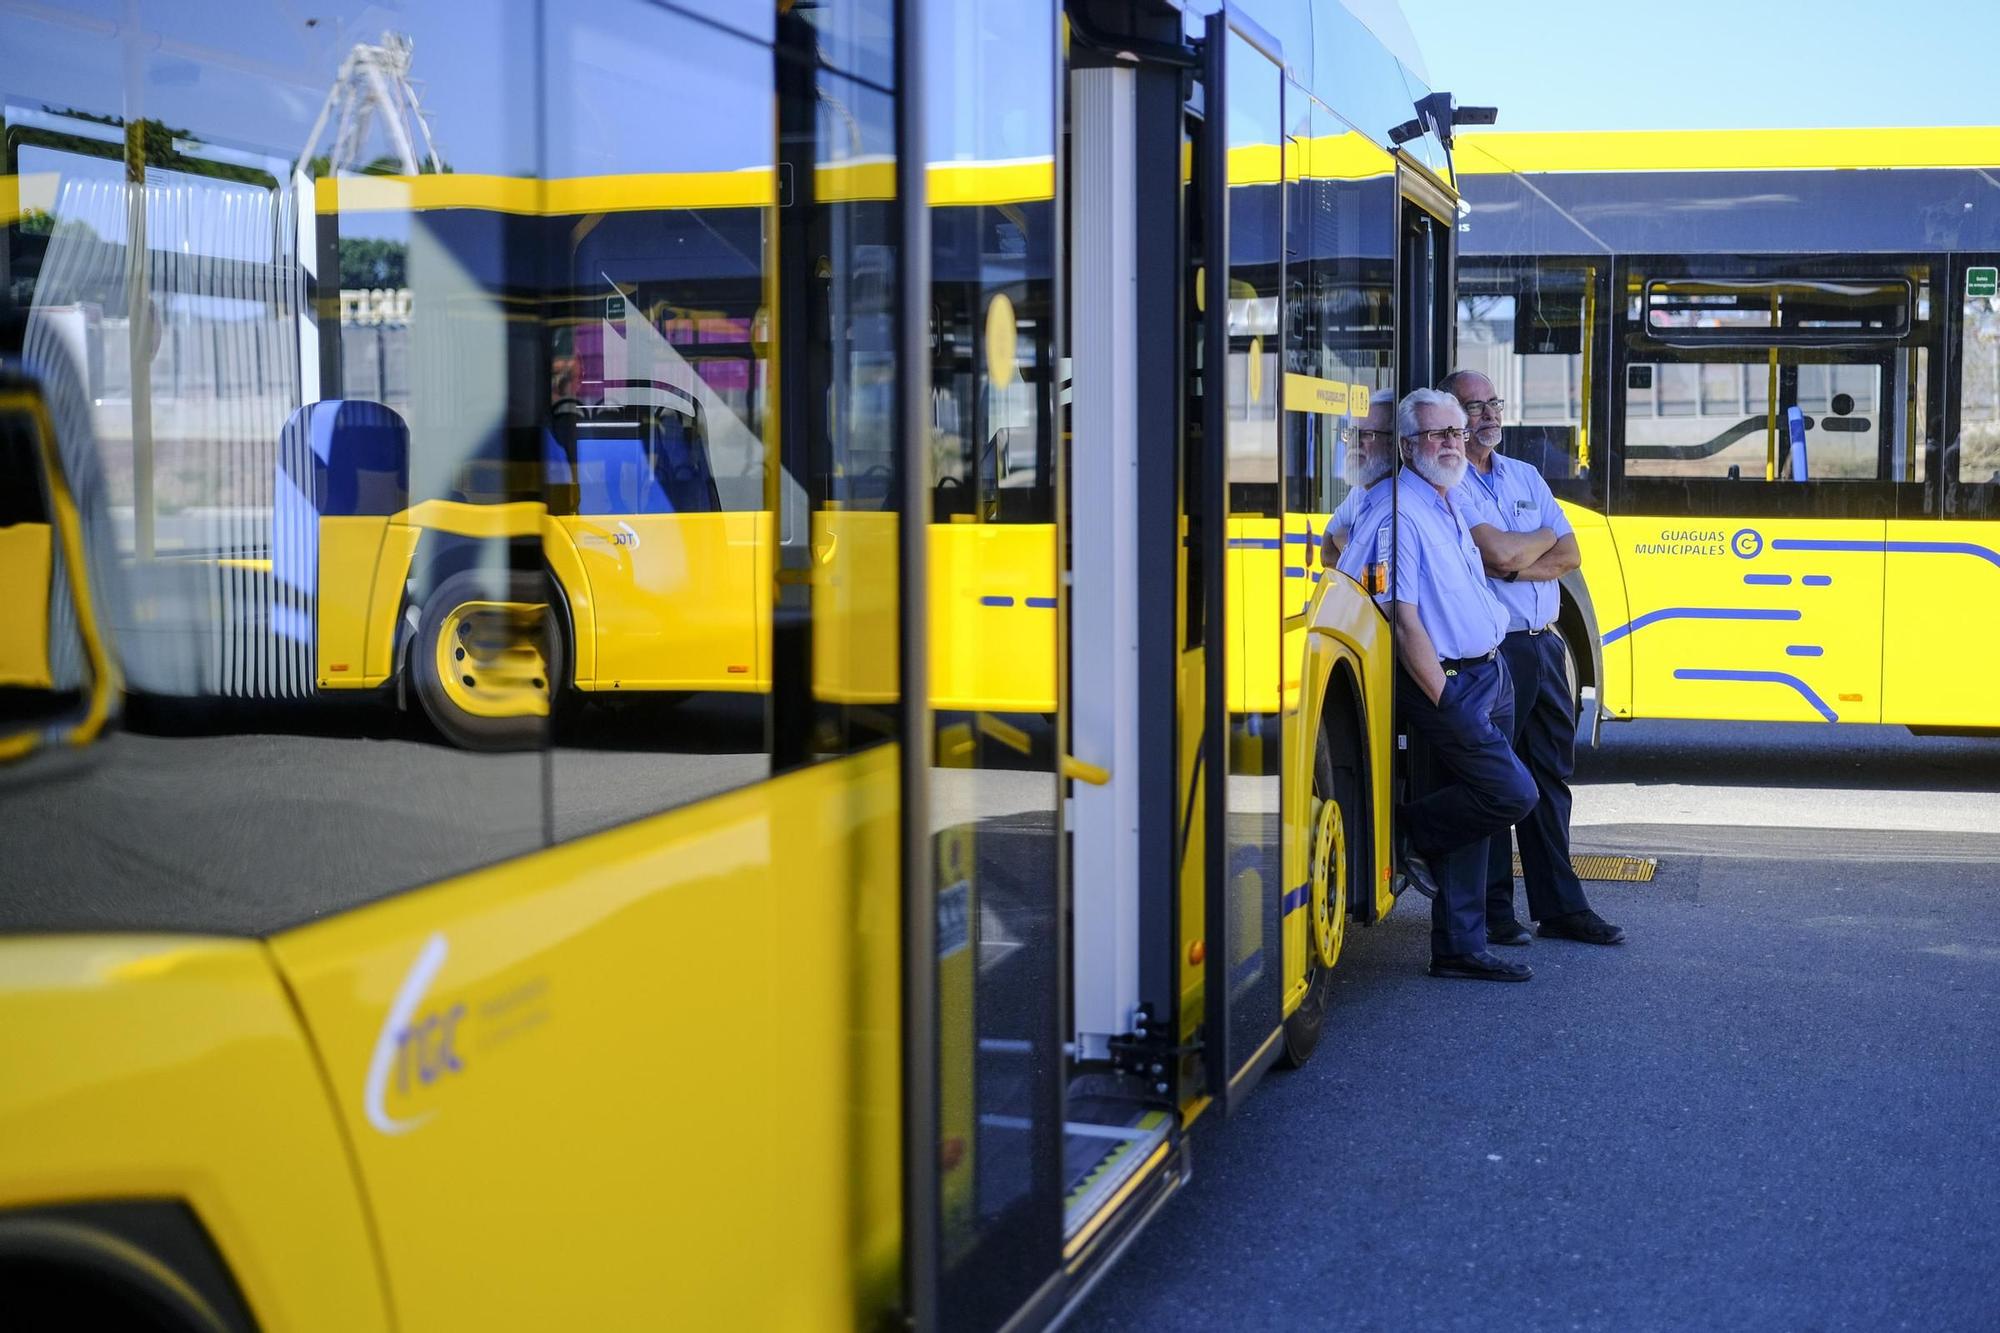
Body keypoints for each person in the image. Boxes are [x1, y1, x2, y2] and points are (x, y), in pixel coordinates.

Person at [1356, 388, 1542, 981]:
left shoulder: (1449, 498)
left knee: (1483, 809)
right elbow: (1401, 618)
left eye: (1456, 433)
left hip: (1491, 668)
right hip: (1449, 681)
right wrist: (1443, 697)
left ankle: (1459, 947)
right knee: (1511, 793)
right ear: (1408, 446)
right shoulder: (1396, 510)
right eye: (1437, 435)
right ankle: (1408, 832)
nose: (1451, 444)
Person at [1442, 369, 1626, 947]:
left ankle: (1562, 907)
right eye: (1475, 407)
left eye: (1493, 403)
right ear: (1451, 416)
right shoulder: (1451, 484)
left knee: (1551, 775)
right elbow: (1492, 553)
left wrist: (1518, 562)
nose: (1490, 415)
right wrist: (1524, 549)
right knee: (1500, 776)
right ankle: (1496, 912)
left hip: (1546, 642)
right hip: (1497, 650)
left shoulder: (1523, 475)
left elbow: (1568, 552)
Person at [1321, 389, 1399, 570]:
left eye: (1367, 434)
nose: (1355, 442)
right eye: (1352, 432)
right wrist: (1359, 551)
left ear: (1393, 443)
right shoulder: (1360, 492)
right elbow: (1326, 553)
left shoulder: (1400, 500)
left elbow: (1377, 577)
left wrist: (1346, 541)